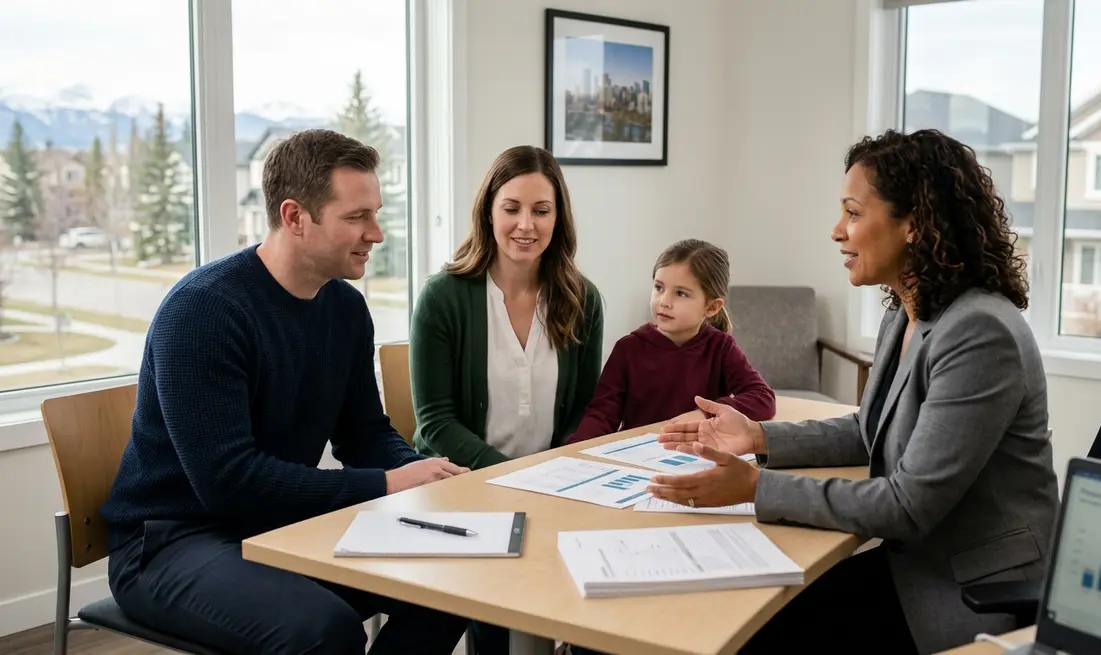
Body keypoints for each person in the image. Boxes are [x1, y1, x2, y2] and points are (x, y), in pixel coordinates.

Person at [649, 129, 1060, 654]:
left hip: (966, 589)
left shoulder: (980, 333)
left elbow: (907, 505)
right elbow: (870, 429)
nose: (837, 231)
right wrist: (757, 437)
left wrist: (755, 488)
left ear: (914, 224)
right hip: (914, 564)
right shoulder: (909, 310)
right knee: (740, 616)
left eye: (853, 213)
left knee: (752, 634)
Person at [100, 129, 471, 655]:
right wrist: (388, 484)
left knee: (453, 582)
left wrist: (427, 480)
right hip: (170, 541)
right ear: (296, 217)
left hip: (276, 523)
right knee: (322, 630)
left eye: (376, 212)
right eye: (356, 217)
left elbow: (364, 433)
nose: (377, 233)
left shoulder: (344, 308)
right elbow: (228, 483)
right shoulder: (204, 311)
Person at [408, 144, 604, 653]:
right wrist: (512, 479)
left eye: (541, 210)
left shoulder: (582, 299)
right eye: (511, 207)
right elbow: (435, 422)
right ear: (488, 211)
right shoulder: (444, 297)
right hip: (460, 487)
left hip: (550, 489)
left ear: (558, 218)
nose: (526, 224)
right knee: (481, 612)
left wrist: (554, 482)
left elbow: (586, 412)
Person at [566, 238, 775, 444]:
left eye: (681, 293)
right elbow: (602, 414)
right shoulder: (628, 348)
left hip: (698, 456)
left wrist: (706, 414)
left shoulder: (721, 348)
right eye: (659, 288)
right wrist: (572, 451)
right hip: (637, 457)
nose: (664, 302)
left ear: (711, 307)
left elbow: (763, 397)